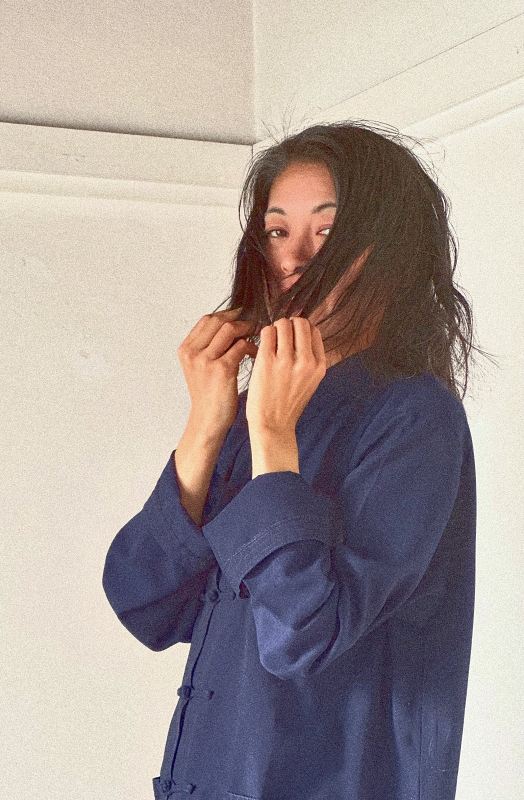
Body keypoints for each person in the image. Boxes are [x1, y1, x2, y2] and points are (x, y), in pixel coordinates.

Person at [103, 121, 480, 800]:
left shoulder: (415, 417)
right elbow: (145, 604)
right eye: (277, 231)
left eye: (326, 231)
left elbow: (303, 635)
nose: (294, 258)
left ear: (389, 249)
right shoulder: (266, 412)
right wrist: (208, 423)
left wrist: (272, 435)